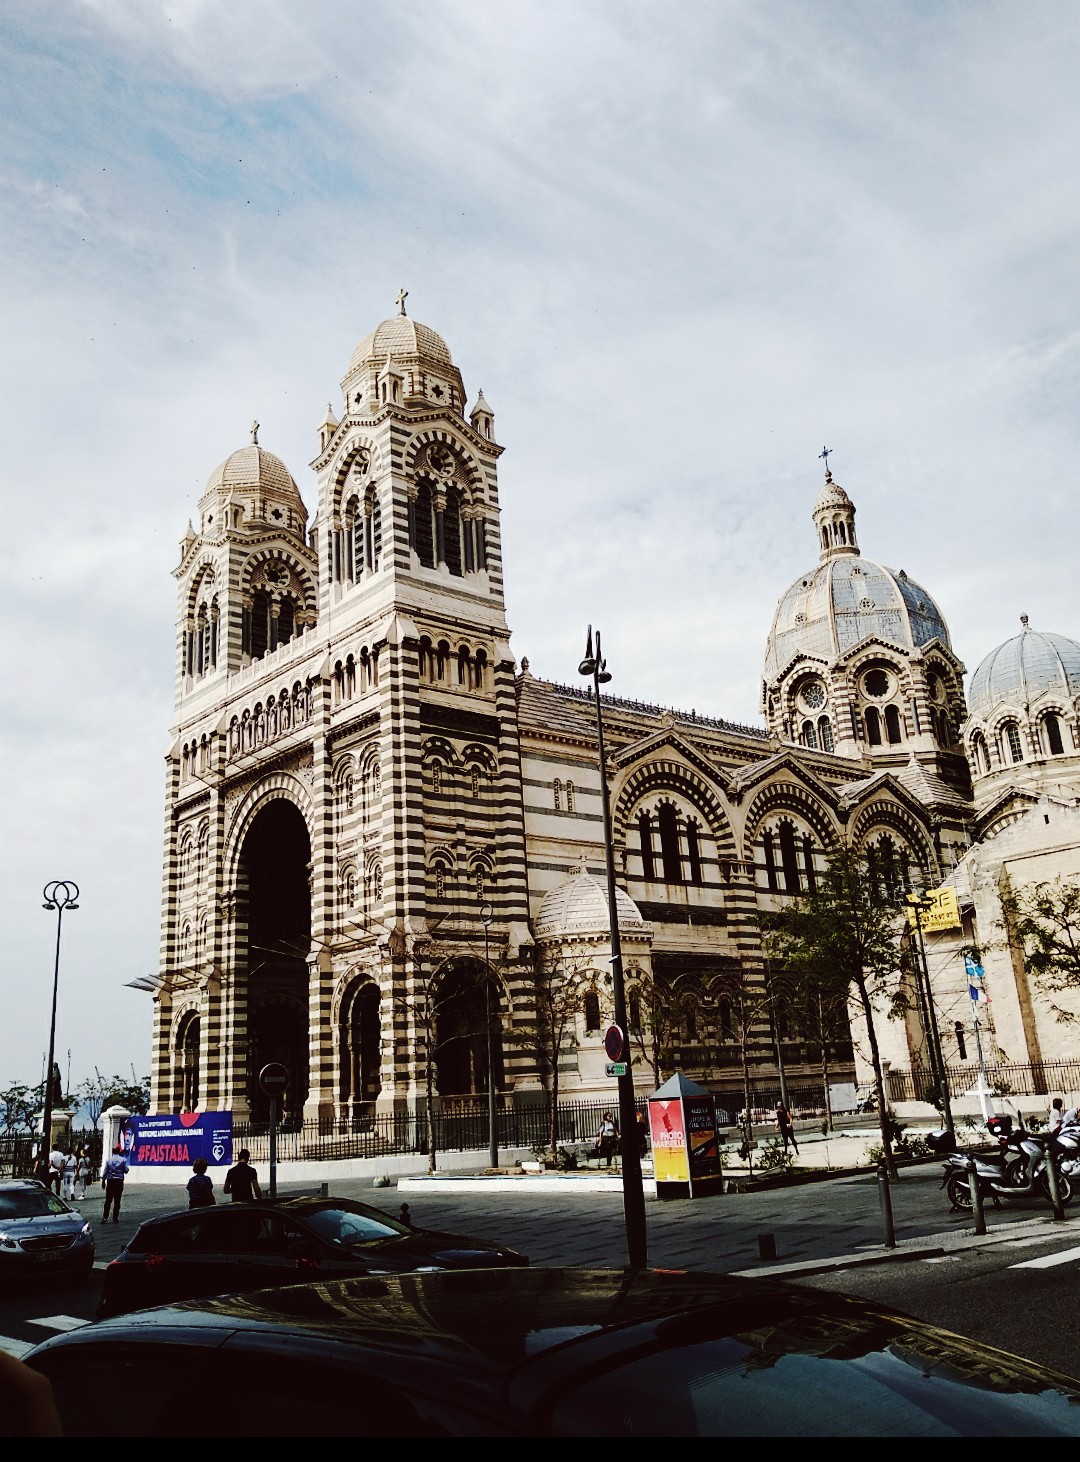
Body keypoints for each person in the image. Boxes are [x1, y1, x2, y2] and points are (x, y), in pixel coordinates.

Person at [101, 1144, 129, 1223]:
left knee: (108, 1200)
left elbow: (105, 1172)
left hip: (110, 1182)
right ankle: (115, 1218)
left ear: (112, 1152)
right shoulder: (123, 1160)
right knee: (117, 1201)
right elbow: (126, 1170)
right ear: (119, 1152)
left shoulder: (108, 1160)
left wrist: (103, 1181)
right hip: (119, 1181)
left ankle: (105, 1217)